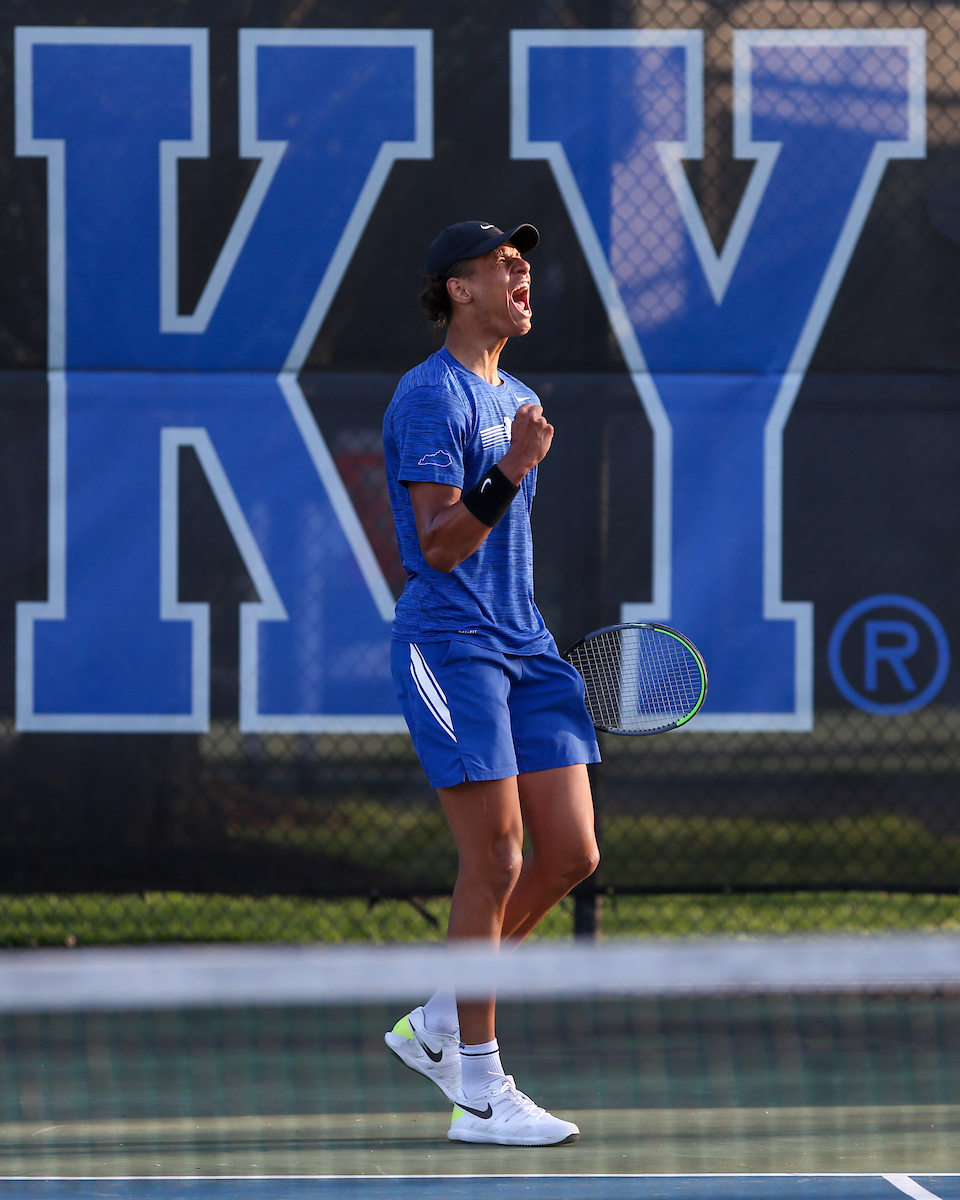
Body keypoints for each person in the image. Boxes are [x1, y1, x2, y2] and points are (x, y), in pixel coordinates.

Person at [381, 221, 601, 1147]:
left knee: (572, 853)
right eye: (502, 266)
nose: (522, 276)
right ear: (457, 289)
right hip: (451, 643)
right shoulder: (429, 396)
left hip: (526, 645)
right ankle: (478, 1090)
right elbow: (438, 544)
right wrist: (513, 465)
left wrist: (517, 453)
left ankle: (439, 1019)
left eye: (524, 265)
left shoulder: (518, 397)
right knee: (499, 858)